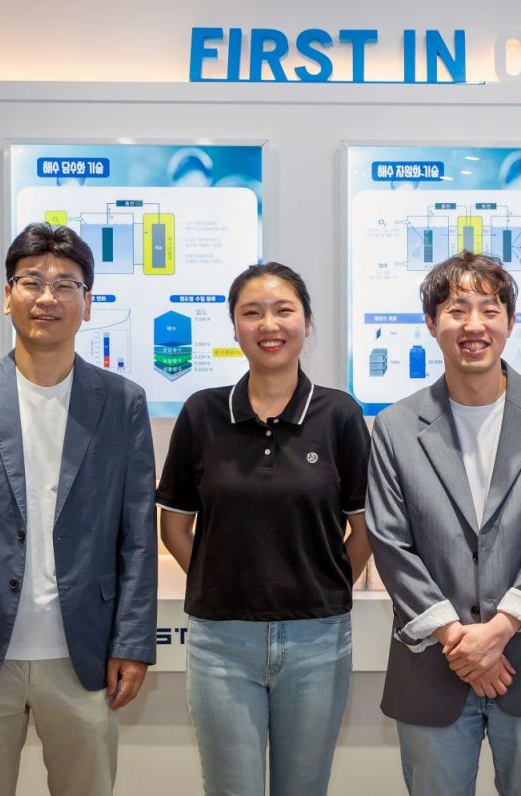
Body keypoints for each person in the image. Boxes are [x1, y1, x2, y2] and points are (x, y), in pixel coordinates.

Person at [0, 223, 158, 796]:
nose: (48, 297)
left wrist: (132, 642)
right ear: (8, 295)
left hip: (85, 653)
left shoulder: (122, 403)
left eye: (66, 284)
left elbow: (138, 536)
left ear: (87, 304)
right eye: (32, 281)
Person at [367, 251, 521, 796]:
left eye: (489, 310)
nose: (474, 325)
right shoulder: (395, 426)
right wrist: (458, 640)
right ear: (430, 323)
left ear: (510, 322)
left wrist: (500, 629)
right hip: (433, 666)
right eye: (456, 310)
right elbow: (390, 541)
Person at [156, 262, 371, 796]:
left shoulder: (339, 414)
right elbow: (174, 525)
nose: (268, 325)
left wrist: (328, 583)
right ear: (234, 328)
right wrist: (219, 578)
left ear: (306, 322)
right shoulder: (202, 413)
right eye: (252, 313)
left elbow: (365, 527)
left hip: (318, 639)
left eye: (283, 311)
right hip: (220, 642)